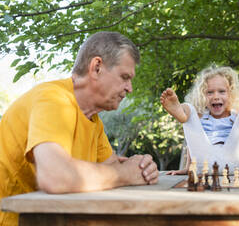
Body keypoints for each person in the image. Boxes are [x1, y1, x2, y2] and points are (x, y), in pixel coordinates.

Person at [0, 31, 159, 226]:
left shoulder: (93, 121)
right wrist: (126, 174)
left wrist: (141, 167)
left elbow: (112, 169)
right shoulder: (53, 99)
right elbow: (56, 177)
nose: (130, 88)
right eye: (125, 77)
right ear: (96, 67)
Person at [160, 66, 239, 174]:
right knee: (191, 111)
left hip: (231, 160)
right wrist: (188, 167)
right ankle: (181, 110)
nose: (216, 96)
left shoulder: (235, 116)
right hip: (206, 160)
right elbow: (193, 142)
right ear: (202, 95)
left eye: (222, 91)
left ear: (231, 93)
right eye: (210, 92)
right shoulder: (200, 116)